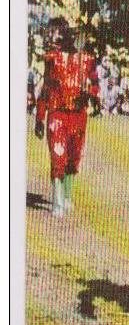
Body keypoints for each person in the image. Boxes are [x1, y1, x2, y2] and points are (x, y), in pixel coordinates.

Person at [34, 17, 100, 217]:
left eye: (77, 34)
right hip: (57, 113)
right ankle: (57, 200)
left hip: (78, 115)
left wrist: (95, 99)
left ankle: (67, 194)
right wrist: (40, 116)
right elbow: (46, 88)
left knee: (73, 156)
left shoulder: (88, 59)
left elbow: (95, 83)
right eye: (71, 33)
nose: (75, 38)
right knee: (58, 155)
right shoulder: (52, 58)